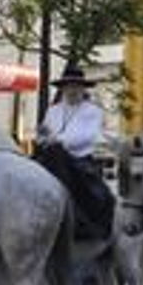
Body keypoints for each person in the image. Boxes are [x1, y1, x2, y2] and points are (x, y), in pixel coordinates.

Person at [36, 64, 111, 240]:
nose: (72, 90)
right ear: (63, 88)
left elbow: (88, 136)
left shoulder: (93, 111)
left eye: (76, 86)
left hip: (80, 160)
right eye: (69, 86)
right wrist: (45, 138)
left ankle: (80, 219)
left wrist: (57, 140)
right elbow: (43, 136)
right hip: (51, 156)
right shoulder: (52, 110)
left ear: (83, 88)